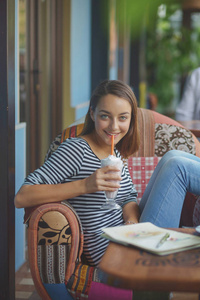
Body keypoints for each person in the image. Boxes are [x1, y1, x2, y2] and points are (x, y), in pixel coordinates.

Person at [15, 79, 200, 267]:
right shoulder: (76, 149)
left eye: (122, 118)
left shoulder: (114, 152)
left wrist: (131, 221)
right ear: (93, 114)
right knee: (177, 167)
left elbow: (128, 197)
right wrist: (85, 185)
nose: (114, 127)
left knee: (172, 156)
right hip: (113, 254)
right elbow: (22, 197)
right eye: (105, 116)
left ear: (130, 119)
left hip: (129, 238)